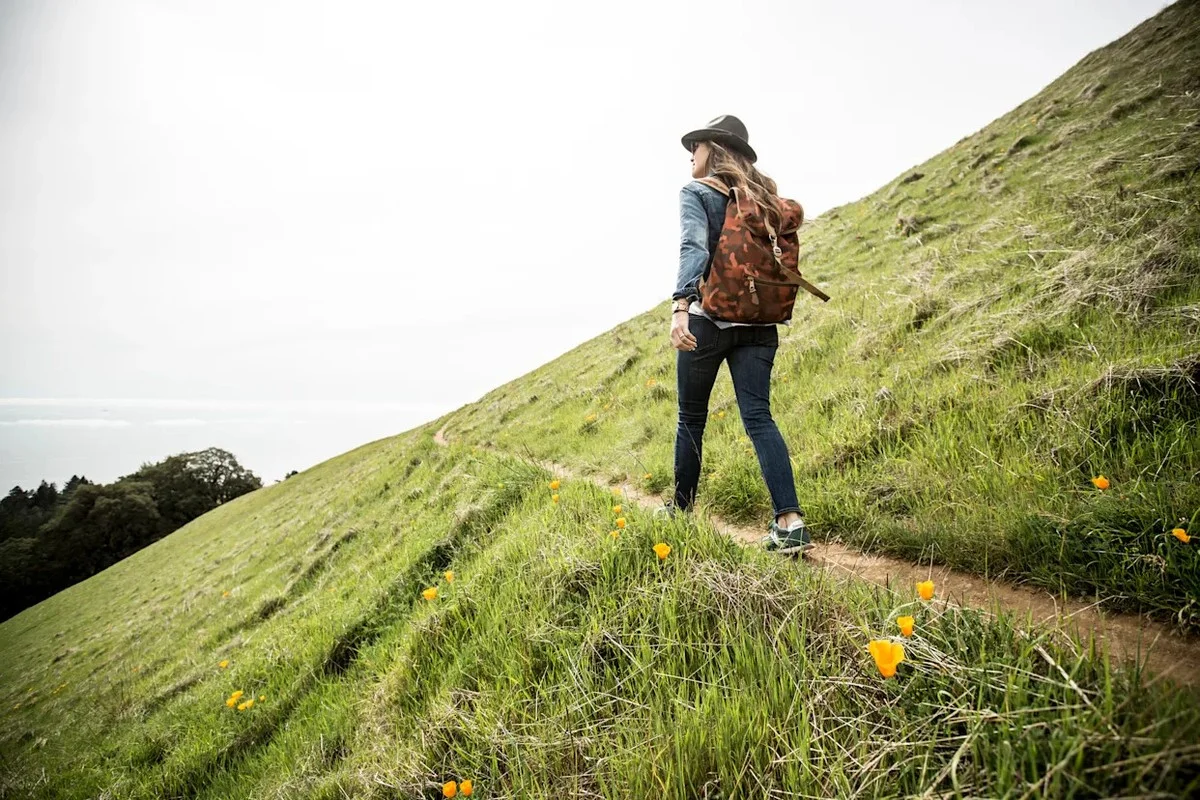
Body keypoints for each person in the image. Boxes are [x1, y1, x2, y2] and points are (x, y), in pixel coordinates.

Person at [663, 114, 812, 555]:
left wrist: (680, 308)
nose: (691, 153)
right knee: (759, 418)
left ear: (716, 150)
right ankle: (790, 522)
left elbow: (694, 248)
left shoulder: (697, 192)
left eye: (698, 145)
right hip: (761, 326)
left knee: (691, 417)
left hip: (709, 321)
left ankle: (681, 510)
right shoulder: (766, 200)